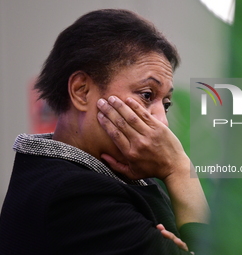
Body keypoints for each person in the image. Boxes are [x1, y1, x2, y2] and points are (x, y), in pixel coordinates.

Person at [0, 9, 209, 255]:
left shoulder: (125, 173)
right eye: (146, 95)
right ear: (82, 91)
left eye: (166, 104)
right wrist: (180, 171)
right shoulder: (74, 196)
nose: (162, 121)